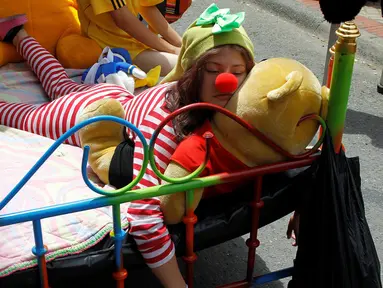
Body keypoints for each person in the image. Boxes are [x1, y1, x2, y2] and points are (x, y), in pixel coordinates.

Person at [0, 6, 299, 287]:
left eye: (237, 71)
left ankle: (19, 35)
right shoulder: (168, 121)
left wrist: (304, 203)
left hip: (118, 95)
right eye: (213, 69)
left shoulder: (241, 106)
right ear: (193, 72)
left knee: (59, 84)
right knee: (18, 114)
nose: (226, 81)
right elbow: (143, 216)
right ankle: (20, 36)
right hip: (93, 112)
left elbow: (293, 140)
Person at [76, 0, 183, 76]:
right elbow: (122, 18)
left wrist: (182, 44)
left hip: (136, 40)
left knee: (192, 56)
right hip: (111, 48)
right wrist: (173, 50)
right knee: (187, 65)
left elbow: (146, 7)